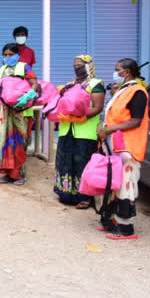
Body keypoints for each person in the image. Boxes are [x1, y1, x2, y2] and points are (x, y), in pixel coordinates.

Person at [96, 58, 149, 240]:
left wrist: (108, 129)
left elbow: (136, 120)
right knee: (115, 184)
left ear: (126, 72)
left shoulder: (138, 92)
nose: (115, 72)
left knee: (126, 185)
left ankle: (126, 228)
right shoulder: (123, 90)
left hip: (128, 147)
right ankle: (111, 220)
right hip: (116, 144)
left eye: (117, 69)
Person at [53, 55, 105, 208]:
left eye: (81, 65)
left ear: (89, 66)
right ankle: (66, 193)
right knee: (65, 161)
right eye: (75, 65)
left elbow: (97, 108)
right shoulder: (70, 84)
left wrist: (80, 117)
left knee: (83, 163)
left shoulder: (96, 84)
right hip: (67, 129)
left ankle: (85, 197)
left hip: (85, 131)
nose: (77, 68)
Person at [0, 43, 39, 186]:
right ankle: (7, 173)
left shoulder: (25, 67)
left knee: (19, 142)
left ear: (17, 55)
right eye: (5, 55)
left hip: (21, 110)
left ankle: (19, 174)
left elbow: (34, 83)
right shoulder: (2, 69)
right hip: (5, 111)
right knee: (5, 142)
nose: (7, 57)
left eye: (10, 54)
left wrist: (29, 94)